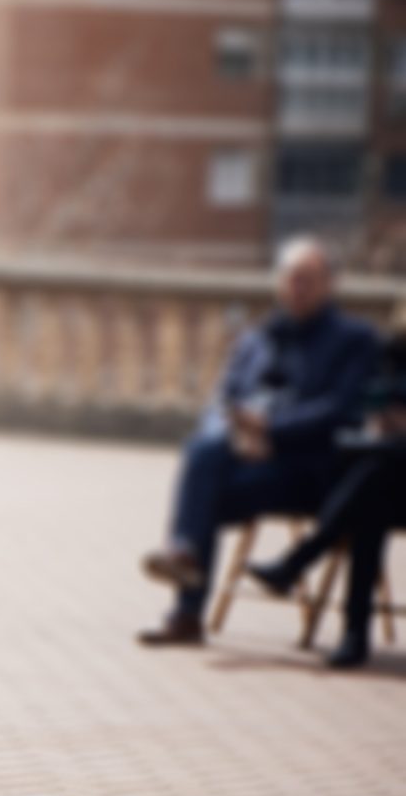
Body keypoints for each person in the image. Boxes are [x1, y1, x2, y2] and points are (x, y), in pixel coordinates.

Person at [138, 237, 378, 646]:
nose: (297, 288)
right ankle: (187, 588)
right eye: (290, 278)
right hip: (249, 462)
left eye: (308, 279)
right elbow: (222, 400)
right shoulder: (257, 337)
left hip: (312, 471)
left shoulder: (354, 340)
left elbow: (341, 409)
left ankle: (186, 600)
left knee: (201, 482)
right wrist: (236, 432)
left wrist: (271, 429)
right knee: (204, 452)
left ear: (329, 284)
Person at [248, 314, 406, 670]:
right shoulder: (395, 348)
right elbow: (369, 396)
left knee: (376, 479)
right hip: (395, 483)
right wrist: (383, 416)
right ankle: (351, 631)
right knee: (373, 494)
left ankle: (301, 561)